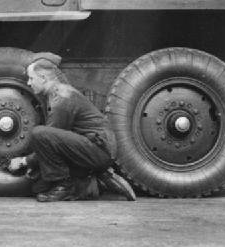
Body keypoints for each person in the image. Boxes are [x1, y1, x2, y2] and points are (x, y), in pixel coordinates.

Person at [7, 53, 136, 202]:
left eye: (31, 78)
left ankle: (65, 186)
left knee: (39, 133)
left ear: (43, 78)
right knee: (38, 187)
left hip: (99, 149)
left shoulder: (61, 99)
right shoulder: (57, 93)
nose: (29, 83)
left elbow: (47, 141)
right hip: (93, 146)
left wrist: (24, 161)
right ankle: (95, 181)